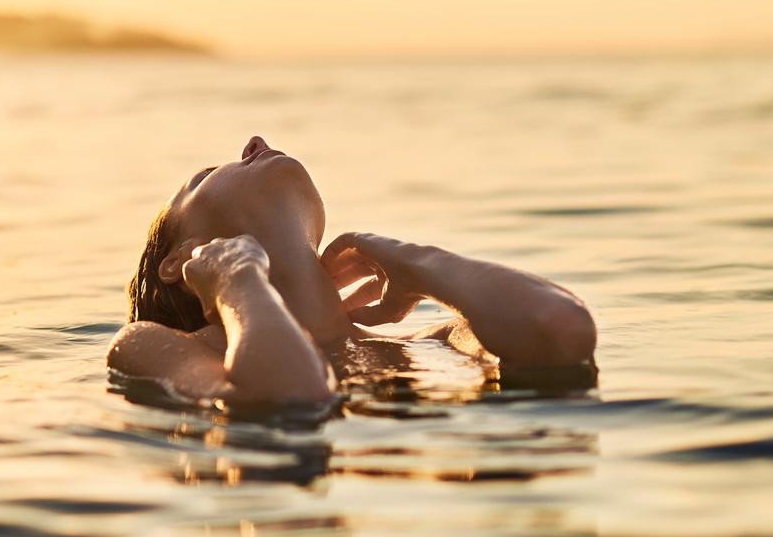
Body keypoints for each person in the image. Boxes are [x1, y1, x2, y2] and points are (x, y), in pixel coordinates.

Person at [109, 136, 597, 408]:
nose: (254, 142)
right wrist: (238, 278)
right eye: (204, 176)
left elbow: (562, 331)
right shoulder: (152, 346)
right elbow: (291, 400)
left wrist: (415, 262)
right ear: (180, 259)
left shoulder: (435, 343)